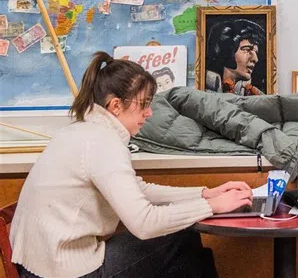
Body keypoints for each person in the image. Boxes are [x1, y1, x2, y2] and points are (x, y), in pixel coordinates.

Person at [10, 51, 253, 278]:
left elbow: (139, 190)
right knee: (182, 238)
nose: (149, 113)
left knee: (182, 238)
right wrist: (211, 206)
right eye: (144, 104)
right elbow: (144, 223)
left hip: (41, 262)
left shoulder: (84, 131)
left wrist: (205, 194)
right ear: (116, 105)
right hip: (61, 270)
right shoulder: (102, 142)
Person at [205, 19, 265, 96]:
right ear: (227, 50)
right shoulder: (204, 90)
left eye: (256, 52)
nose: (255, 59)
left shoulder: (256, 96)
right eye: (247, 49)